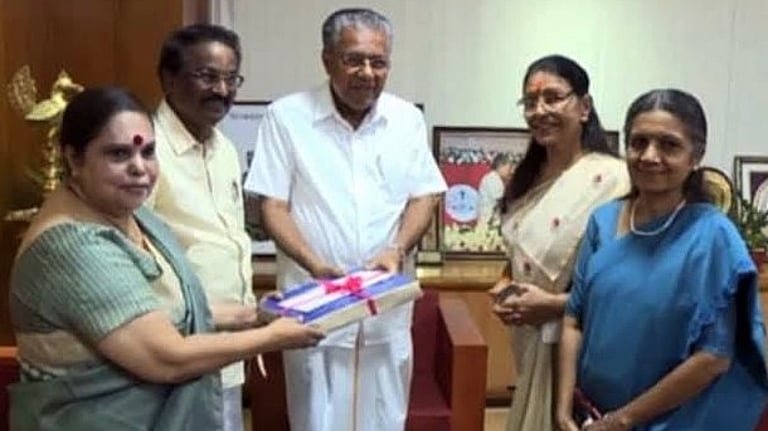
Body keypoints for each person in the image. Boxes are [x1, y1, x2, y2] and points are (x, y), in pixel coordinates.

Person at [8, 87, 324, 430]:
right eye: (119, 154)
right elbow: (166, 358)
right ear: (74, 159)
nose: (139, 168)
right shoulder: (71, 247)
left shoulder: (129, 215)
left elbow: (161, 310)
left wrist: (252, 315)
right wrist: (274, 337)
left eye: (148, 152)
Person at [243, 8, 447, 431]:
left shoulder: (406, 119)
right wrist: (315, 265)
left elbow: (424, 196)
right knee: (315, 418)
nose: (367, 73)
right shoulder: (287, 116)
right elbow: (272, 206)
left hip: (384, 309)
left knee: (385, 417)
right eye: (354, 60)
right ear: (327, 60)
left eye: (379, 62)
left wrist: (396, 249)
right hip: (315, 305)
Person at [556, 89, 768, 431]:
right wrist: (563, 408)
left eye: (669, 145)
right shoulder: (603, 221)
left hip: (674, 420)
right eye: (639, 142)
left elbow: (714, 357)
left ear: (696, 156)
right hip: (589, 414)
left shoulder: (714, 237)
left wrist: (622, 421)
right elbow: (573, 319)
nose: (649, 156)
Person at [488, 55, 630, 431]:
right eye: (530, 102)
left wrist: (552, 305)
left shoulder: (614, 180)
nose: (539, 111)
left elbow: (628, 284)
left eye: (552, 98)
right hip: (529, 339)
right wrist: (506, 284)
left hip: (583, 344)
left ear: (584, 107)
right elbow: (519, 254)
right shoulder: (526, 178)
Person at [144, 24, 255, 430]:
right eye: (207, 76)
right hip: (175, 348)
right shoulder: (144, 151)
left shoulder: (224, 148)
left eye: (231, 78)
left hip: (228, 344)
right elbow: (132, 255)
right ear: (169, 79)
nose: (222, 90)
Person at [476, 153, 515, 226]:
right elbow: (500, 200)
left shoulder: (495, 178)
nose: (510, 172)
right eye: (509, 168)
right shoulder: (493, 179)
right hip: (489, 221)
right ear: (501, 166)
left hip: (491, 220)